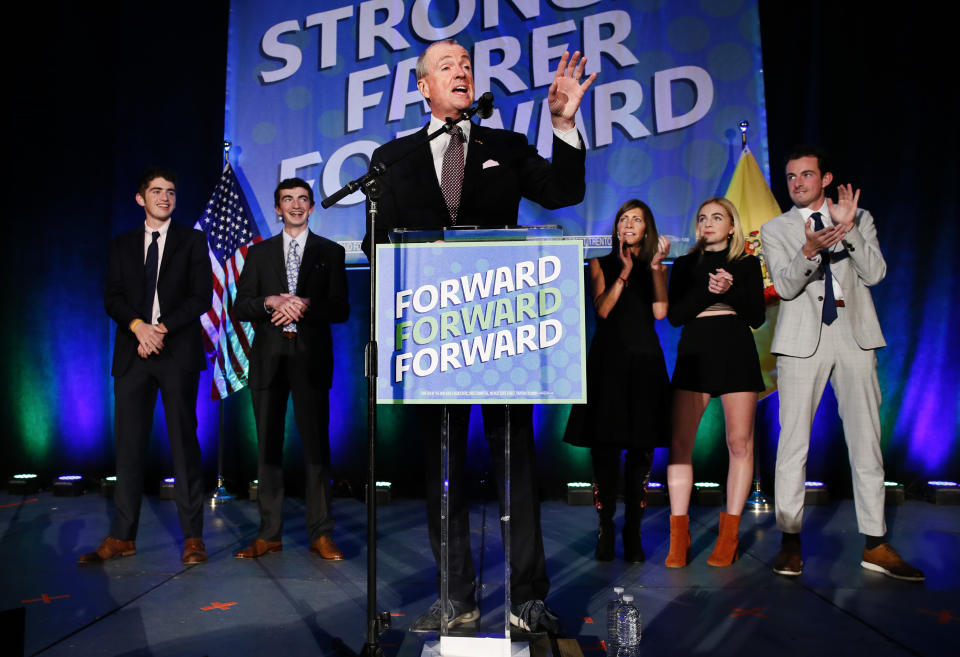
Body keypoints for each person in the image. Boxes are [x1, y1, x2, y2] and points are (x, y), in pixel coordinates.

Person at [362, 39, 596, 634]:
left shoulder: (507, 146)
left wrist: (564, 126)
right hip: (433, 334)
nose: (461, 72)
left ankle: (527, 599)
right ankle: (456, 597)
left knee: (516, 463)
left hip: (504, 336)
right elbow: (376, 244)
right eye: (447, 66)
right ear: (423, 86)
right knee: (442, 471)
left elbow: (563, 193)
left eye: (466, 65)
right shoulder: (393, 158)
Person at [761, 147, 923, 580]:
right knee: (793, 443)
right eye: (791, 176)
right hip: (800, 342)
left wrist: (846, 228)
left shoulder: (858, 217)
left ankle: (875, 542)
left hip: (854, 335)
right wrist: (810, 250)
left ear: (825, 178)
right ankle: (790, 539)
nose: (797, 182)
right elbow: (785, 285)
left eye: (806, 175)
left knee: (866, 439)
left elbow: (875, 274)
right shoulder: (776, 229)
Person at [81, 168, 213, 566]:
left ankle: (193, 538)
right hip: (132, 353)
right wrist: (139, 328)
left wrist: (162, 329)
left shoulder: (192, 241)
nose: (164, 198)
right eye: (156, 191)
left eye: (171, 192)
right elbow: (113, 297)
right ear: (141, 199)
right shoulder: (121, 244)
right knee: (129, 448)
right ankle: (123, 536)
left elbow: (201, 297)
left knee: (184, 446)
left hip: (176, 352)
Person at [232, 178, 350, 561]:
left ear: (312, 207)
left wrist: (303, 304)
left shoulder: (329, 252)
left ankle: (321, 534)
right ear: (277, 208)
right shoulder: (259, 253)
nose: (296, 205)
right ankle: (269, 534)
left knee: (317, 450)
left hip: (310, 361)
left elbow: (341, 308)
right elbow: (241, 307)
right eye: (288, 200)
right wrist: (271, 301)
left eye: (303, 199)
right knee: (267, 448)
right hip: (268, 362)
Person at [563, 200, 670, 563]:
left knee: (641, 451)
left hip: (645, 364)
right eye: (623, 218)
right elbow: (603, 309)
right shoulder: (601, 262)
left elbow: (660, 312)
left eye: (636, 219)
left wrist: (653, 268)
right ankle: (606, 527)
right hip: (608, 364)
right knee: (605, 451)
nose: (628, 224)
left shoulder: (655, 266)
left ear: (646, 228)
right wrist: (623, 274)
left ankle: (633, 530)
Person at [664, 197, 766, 568]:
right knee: (680, 443)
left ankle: (729, 535)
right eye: (703, 217)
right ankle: (679, 536)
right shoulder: (687, 263)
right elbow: (675, 316)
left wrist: (731, 292)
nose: (708, 223)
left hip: (736, 351)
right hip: (696, 352)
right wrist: (710, 292)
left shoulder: (748, 263)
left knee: (739, 442)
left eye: (717, 217)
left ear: (732, 226)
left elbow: (756, 316)